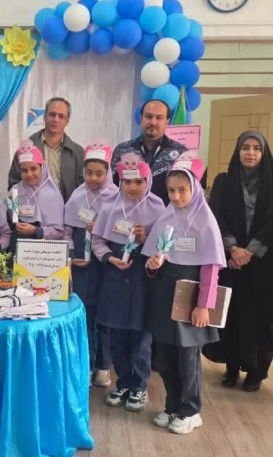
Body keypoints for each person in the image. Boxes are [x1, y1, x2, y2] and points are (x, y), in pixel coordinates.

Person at [143, 158, 224, 435]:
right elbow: (154, 260)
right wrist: (153, 265)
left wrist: (204, 306)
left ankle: (191, 411)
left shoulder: (206, 221)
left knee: (188, 359)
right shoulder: (166, 218)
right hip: (165, 294)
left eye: (182, 190)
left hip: (191, 297)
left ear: (194, 189)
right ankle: (173, 405)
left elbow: (211, 268)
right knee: (164, 358)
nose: (176, 196)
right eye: (171, 190)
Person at [208, 130, 273, 392]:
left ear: (264, 153)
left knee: (259, 318)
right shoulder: (223, 181)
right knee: (231, 314)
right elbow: (216, 216)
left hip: (262, 264)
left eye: (256, 148)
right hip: (231, 262)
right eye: (245, 147)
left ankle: (255, 371)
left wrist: (249, 251)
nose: (251, 153)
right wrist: (233, 249)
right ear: (237, 151)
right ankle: (231, 366)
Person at [92, 153, 165, 412]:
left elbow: (164, 249)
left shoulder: (159, 208)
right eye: (127, 182)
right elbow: (97, 241)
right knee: (116, 337)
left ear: (148, 181)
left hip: (142, 282)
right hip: (114, 279)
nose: (133, 187)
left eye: (139, 182)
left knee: (141, 340)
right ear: (120, 182)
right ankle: (123, 382)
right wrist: (110, 258)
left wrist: (146, 239)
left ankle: (139, 386)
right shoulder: (110, 207)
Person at [63, 138, 118, 388]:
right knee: (83, 314)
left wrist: (103, 225)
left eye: (99, 173)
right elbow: (66, 230)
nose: (93, 178)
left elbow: (122, 231)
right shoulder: (77, 195)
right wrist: (71, 254)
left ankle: (104, 365)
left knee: (103, 317)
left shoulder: (117, 197)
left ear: (108, 173)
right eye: (89, 173)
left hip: (105, 266)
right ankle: (84, 364)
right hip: (81, 267)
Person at [111, 99, 187, 205]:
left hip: (166, 214)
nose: (153, 122)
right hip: (128, 212)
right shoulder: (122, 150)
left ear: (167, 122)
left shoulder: (180, 153)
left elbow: (185, 191)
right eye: (148, 116)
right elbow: (112, 187)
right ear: (141, 118)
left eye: (159, 118)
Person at [8, 97, 84, 202]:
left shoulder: (78, 153)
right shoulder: (25, 150)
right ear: (44, 117)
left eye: (61, 116)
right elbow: (14, 185)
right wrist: (18, 211)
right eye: (52, 114)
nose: (56, 119)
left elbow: (83, 189)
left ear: (67, 121)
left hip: (66, 210)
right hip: (31, 210)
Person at [7, 140, 65, 253]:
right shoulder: (15, 190)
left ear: (42, 167)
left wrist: (35, 230)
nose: (29, 174)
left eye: (33, 169)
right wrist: (10, 211)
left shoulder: (52, 195)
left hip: (41, 253)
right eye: (24, 170)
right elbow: (7, 224)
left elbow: (59, 232)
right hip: (16, 251)